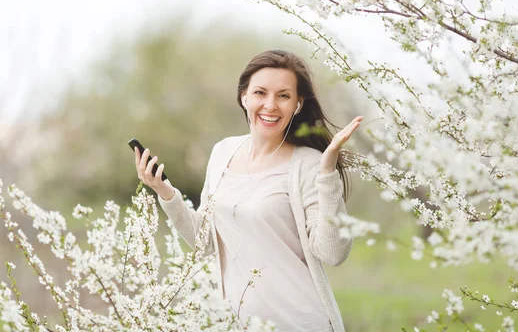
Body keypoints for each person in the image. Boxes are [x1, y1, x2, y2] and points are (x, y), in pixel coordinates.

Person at [134, 49, 363, 332]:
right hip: (236, 323)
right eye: (260, 93)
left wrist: (327, 172)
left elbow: (333, 253)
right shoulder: (223, 152)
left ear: (298, 104)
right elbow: (205, 243)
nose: (270, 105)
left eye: (283, 95)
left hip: (299, 323)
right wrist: (166, 193)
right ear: (244, 96)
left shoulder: (308, 164)